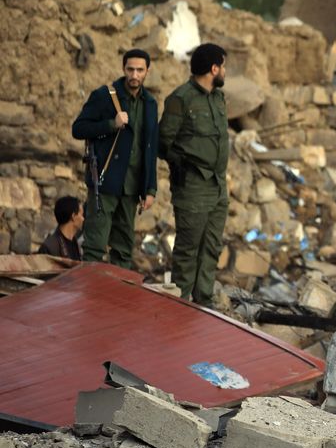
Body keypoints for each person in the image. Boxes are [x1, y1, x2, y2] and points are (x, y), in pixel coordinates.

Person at [71, 48, 158, 268]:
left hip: (132, 187)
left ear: (147, 71)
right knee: (95, 246)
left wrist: (150, 189)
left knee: (123, 250)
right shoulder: (104, 95)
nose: (134, 75)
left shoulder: (150, 103)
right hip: (105, 182)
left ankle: (118, 301)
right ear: (123, 69)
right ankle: (89, 296)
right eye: (130, 69)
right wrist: (111, 124)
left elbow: (150, 147)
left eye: (140, 70)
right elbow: (79, 129)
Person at [159, 43, 229, 307]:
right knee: (188, 252)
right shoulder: (181, 99)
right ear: (213, 69)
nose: (225, 71)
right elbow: (163, 142)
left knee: (211, 248)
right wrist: (187, 166)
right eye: (223, 66)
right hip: (192, 189)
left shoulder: (218, 98)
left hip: (218, 187)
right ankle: (180, 308)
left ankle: (204, 304)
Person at [37, 196, 84, 261]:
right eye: (81, 215)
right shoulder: (49, 247)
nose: (83, 219)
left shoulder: (75, 244)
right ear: (73, 216)